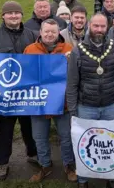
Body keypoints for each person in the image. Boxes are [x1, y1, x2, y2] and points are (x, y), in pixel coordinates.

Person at [66, 13, 114, 188]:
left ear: (107, 27)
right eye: (96, 26)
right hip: (86, 107)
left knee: (112, 144)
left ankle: (113, 178)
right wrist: (73, 112)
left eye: (102, 26)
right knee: (84, 144)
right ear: (89, 26)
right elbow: (72, 84)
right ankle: (83, 180)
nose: (99, 30)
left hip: (111, 105)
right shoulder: (77, 50)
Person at [0, 1, 38, 181]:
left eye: (17, 13)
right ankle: (2, 162)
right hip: (4, 96)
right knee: (5, 130)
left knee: (30, 127)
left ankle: (33, 153)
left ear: (22, 15)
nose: (13, 16)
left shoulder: (33, 35)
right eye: (9, 13)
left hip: (27, 93)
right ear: (3, 16)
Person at [23, 19, 76, 182]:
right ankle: (45, 165)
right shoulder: (30, 49)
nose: (49, 34)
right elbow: (24, 74)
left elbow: (76, 74)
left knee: (66, 137)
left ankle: (69, 165)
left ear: (58, 33)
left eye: (53, 31)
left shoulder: (69, 49)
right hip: (38, 104)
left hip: (63, 103)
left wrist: (70, 62)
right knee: (39, 137)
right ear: (40, 32)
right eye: (46, 31)